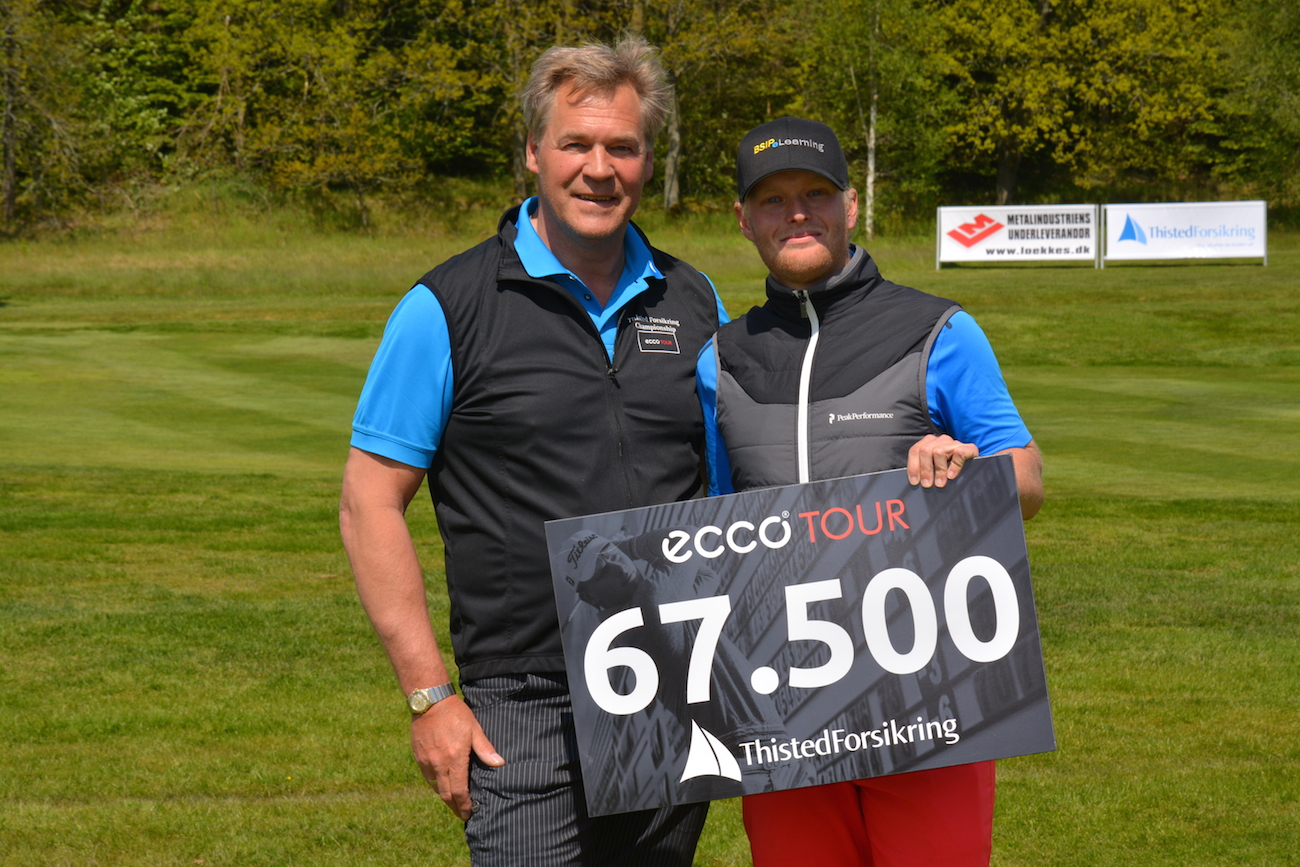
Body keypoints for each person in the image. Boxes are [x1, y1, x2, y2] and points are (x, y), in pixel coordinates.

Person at [338, 38, 728, 866]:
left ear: (648, 158)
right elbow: (368, 501)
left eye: (623, 147)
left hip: (672, 672)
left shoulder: (693, 300)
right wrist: (429, 696)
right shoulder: (446, 306)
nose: (600, 169)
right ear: (532, 152)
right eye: (575, 144)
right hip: (523, 699)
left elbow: (740, 484)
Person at [695, 116, 1045, 867]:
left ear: (851, 206)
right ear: (744, 219)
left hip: (928, 697)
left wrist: (966, 468)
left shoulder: (938, 330)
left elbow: (1027, 478)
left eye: (816, 194)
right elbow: (723, 523)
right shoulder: (720, 359)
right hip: (785, 709)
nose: (797, 213)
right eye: (773, 199)